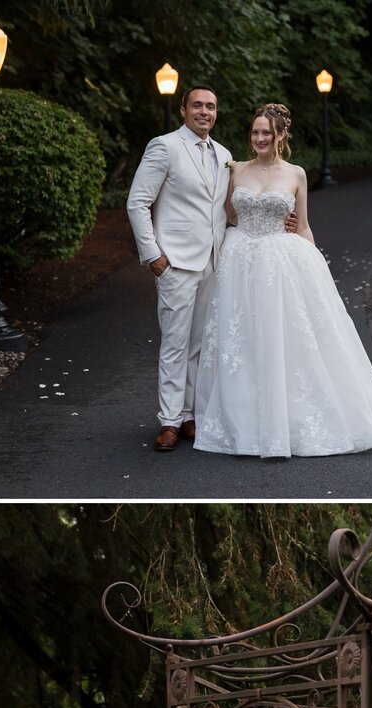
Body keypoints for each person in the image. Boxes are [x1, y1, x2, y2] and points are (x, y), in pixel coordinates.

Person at [191, 103, 372, 458]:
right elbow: (227, 216)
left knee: (284, 337)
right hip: (239, 261)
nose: (259, 138)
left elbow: (304, 224)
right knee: (241, 340)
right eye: (255, 132)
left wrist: (312, 266)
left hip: (279, 261)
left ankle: (289, 416)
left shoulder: (296, 174)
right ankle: (243, 417)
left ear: (281, 136)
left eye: (266, 132)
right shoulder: (235, 169)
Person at [126, 86, 233, 452]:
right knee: (174, 343)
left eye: (211, 107)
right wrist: (152, 254)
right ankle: (169, 421)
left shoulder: (224, 154)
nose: (205, 111)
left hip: (212, 261)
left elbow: (224, 211)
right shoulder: (165, 146)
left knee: (199, 345)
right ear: (184, 110)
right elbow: (138, 201)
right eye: (198, 105)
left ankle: (189, 415)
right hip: (175, 262)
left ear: (216, 114)